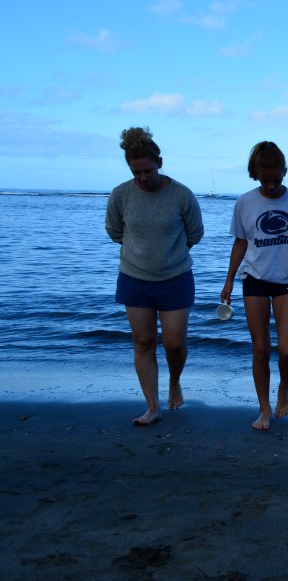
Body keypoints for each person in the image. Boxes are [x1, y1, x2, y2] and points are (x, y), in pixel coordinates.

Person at [105, 127, 204, 425]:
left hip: (175, 278)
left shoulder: (182, 195)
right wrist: (140, 253)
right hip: (134, 279)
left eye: (147, 170)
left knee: (174, 343)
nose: (143, 177)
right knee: (144, 342)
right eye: (136, 172)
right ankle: (153, 406)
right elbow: (114, 231)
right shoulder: (121, 195)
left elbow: (195, 234)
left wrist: (167, 253)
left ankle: (174, 382)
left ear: (159, 162)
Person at [221, 141, 288, 430]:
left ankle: (283, 388)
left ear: (285, 172)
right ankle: (263, 409)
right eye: (265, 179)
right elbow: (240, 242)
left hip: (286, 281)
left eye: (277, 179)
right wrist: (228, 281)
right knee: (261, 349)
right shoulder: (245, 203)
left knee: (287, 350)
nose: (271, 186)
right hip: (254, 281)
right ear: (255, 173)